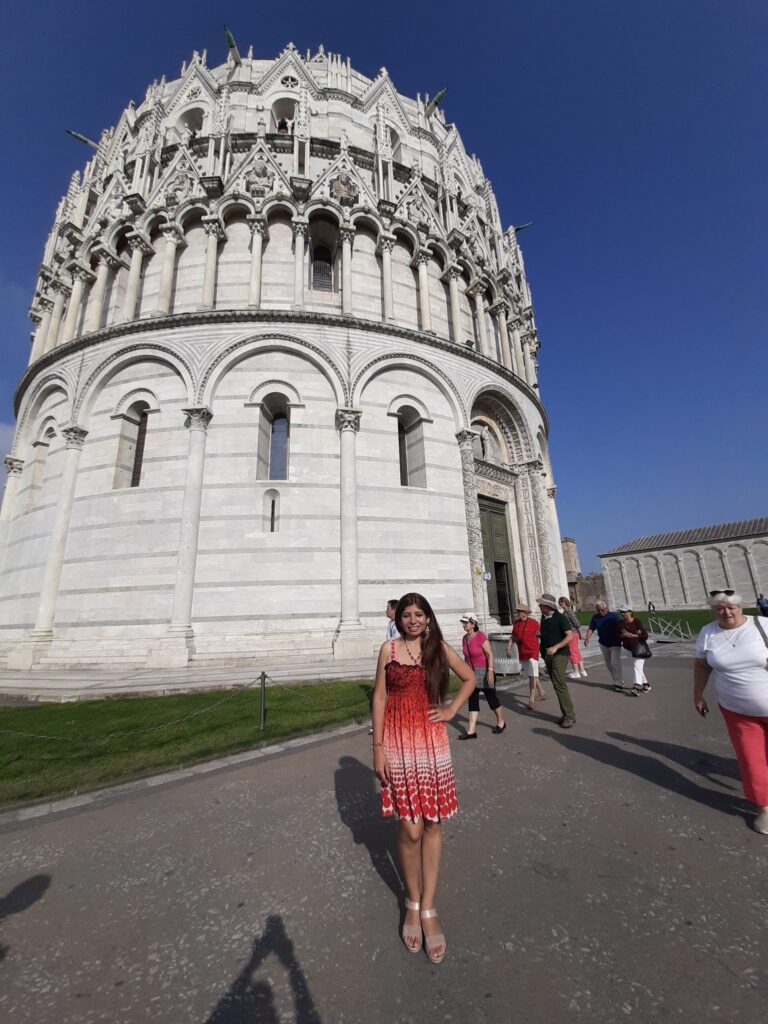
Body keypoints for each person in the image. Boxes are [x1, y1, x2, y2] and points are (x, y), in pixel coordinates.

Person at [371, 593, 477, 961]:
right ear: (398, 619)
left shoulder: (439, 648)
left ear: (428, 618)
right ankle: (412, 901)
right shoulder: (388, 650)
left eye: (419, 614)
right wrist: (377, 747)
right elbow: (379, 698)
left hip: (432, 744)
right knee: (410, 828)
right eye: (406, 615)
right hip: (398, 744)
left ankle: (427, 907)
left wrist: (450, 711)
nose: (413, 620)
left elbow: (470, 678)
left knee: (432, 823)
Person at [693, 590, 768, 835]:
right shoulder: (708, 632)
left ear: (741, 607)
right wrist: (698, 694)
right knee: (751, 759)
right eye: (719, 608)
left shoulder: (762, 625)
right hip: (736, 709)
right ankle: (764, 808)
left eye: (730, 607)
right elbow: (702, 664)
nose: (726, 612)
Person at [458, 613, 506, 739]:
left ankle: (501, 721)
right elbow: (466, 658)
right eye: (463, 623)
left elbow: (490, 654)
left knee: (491, 698)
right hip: (471, 673)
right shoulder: (464, 638)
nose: (464, 625)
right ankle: (471, 730)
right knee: (472, 699)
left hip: (484, 671)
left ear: (473, 624)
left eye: (466, 622)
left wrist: (490, 671)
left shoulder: (480, 636)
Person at [537, 593, 576, 728]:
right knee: (556, 683)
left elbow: (569, 637)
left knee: (559, 682)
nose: (539, 606)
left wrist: (556, 647)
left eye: (541, 604)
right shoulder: (544, 618)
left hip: (560, 654)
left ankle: (569, 716)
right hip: (547, 654)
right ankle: (566, 714)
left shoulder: (561, 618)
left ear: (547, 606)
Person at [507, 603, 546, 709]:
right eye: (517, 611)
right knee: (531, 674)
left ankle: (531, 699)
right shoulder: (516, 623)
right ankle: (542, 691)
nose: (518, 613)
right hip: (522, 651)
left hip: (533, 650)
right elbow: (513, 636)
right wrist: (508, 647)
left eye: (520, 611)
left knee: (532, 674)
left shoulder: (534, 623)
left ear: (525, 612)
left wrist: (545, 648)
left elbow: (540, 635)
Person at [584, 601, 624, 691]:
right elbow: (591, 628)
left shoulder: (614, 616)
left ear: (606, 608)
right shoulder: (595, 617)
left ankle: (619, 682)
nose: (600, 612)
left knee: (615, 662)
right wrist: (587, 638)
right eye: (598, 610)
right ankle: (616, 680)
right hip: (603, 643)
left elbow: (622, 627)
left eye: (601, 610)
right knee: (609, 663)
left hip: (615, 643)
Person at [617, 604, 651, 695]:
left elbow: (644, 636)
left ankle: (636, 687)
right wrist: (623, 635)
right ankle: (646, 684)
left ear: (630, 612)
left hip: (639, 648)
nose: (622, 614)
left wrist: (633, 635)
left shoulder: (637, 621)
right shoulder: (621, 623)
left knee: (637, 667)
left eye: (624, 612)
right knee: (636, 668)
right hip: (628, 648)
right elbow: (618, 635)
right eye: (621, 612)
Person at [559, 596, 587, 680]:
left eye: (562, 602)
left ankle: (576, 671)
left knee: (572, 651)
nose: (561, 604)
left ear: (566, 602)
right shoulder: (567, 611)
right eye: (560, 602)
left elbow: (576, 622)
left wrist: (580, 633)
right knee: (576, 651)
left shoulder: (568, 611)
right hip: (573, 633)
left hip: (571, 633)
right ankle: (582, 670)